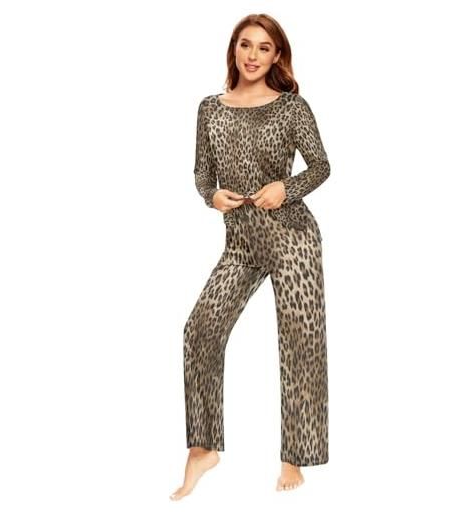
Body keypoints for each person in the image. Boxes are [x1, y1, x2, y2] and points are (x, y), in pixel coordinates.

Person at [170, 13, 331, 500]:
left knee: (300, 344)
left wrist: (286, 187)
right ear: (234, 49)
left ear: (277, 55)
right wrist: (210, 196)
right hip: (240, 242)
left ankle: (295, 455)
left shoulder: (291, 108)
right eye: (246, 45)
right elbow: (202, 173)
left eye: (264, 47)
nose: (253, 55)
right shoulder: (210, 109)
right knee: (200, 330)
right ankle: (203, 448)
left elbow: (321, 166)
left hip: (292, 238)